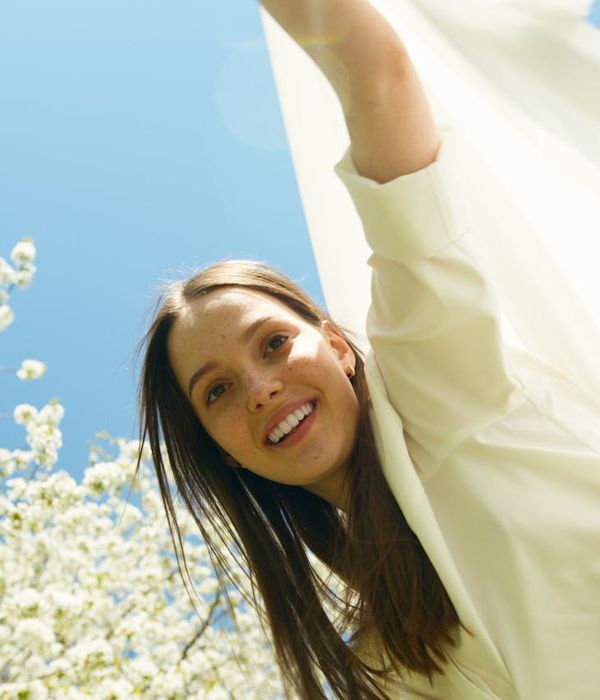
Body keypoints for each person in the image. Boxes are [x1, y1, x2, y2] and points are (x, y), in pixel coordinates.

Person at [136, 1, 600, 698]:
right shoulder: (381, 663)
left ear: (338, 346)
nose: (259, 387)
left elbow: (376, 69)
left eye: (273, 343)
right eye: (218, 391)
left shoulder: (440, 375)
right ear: (223, 450)